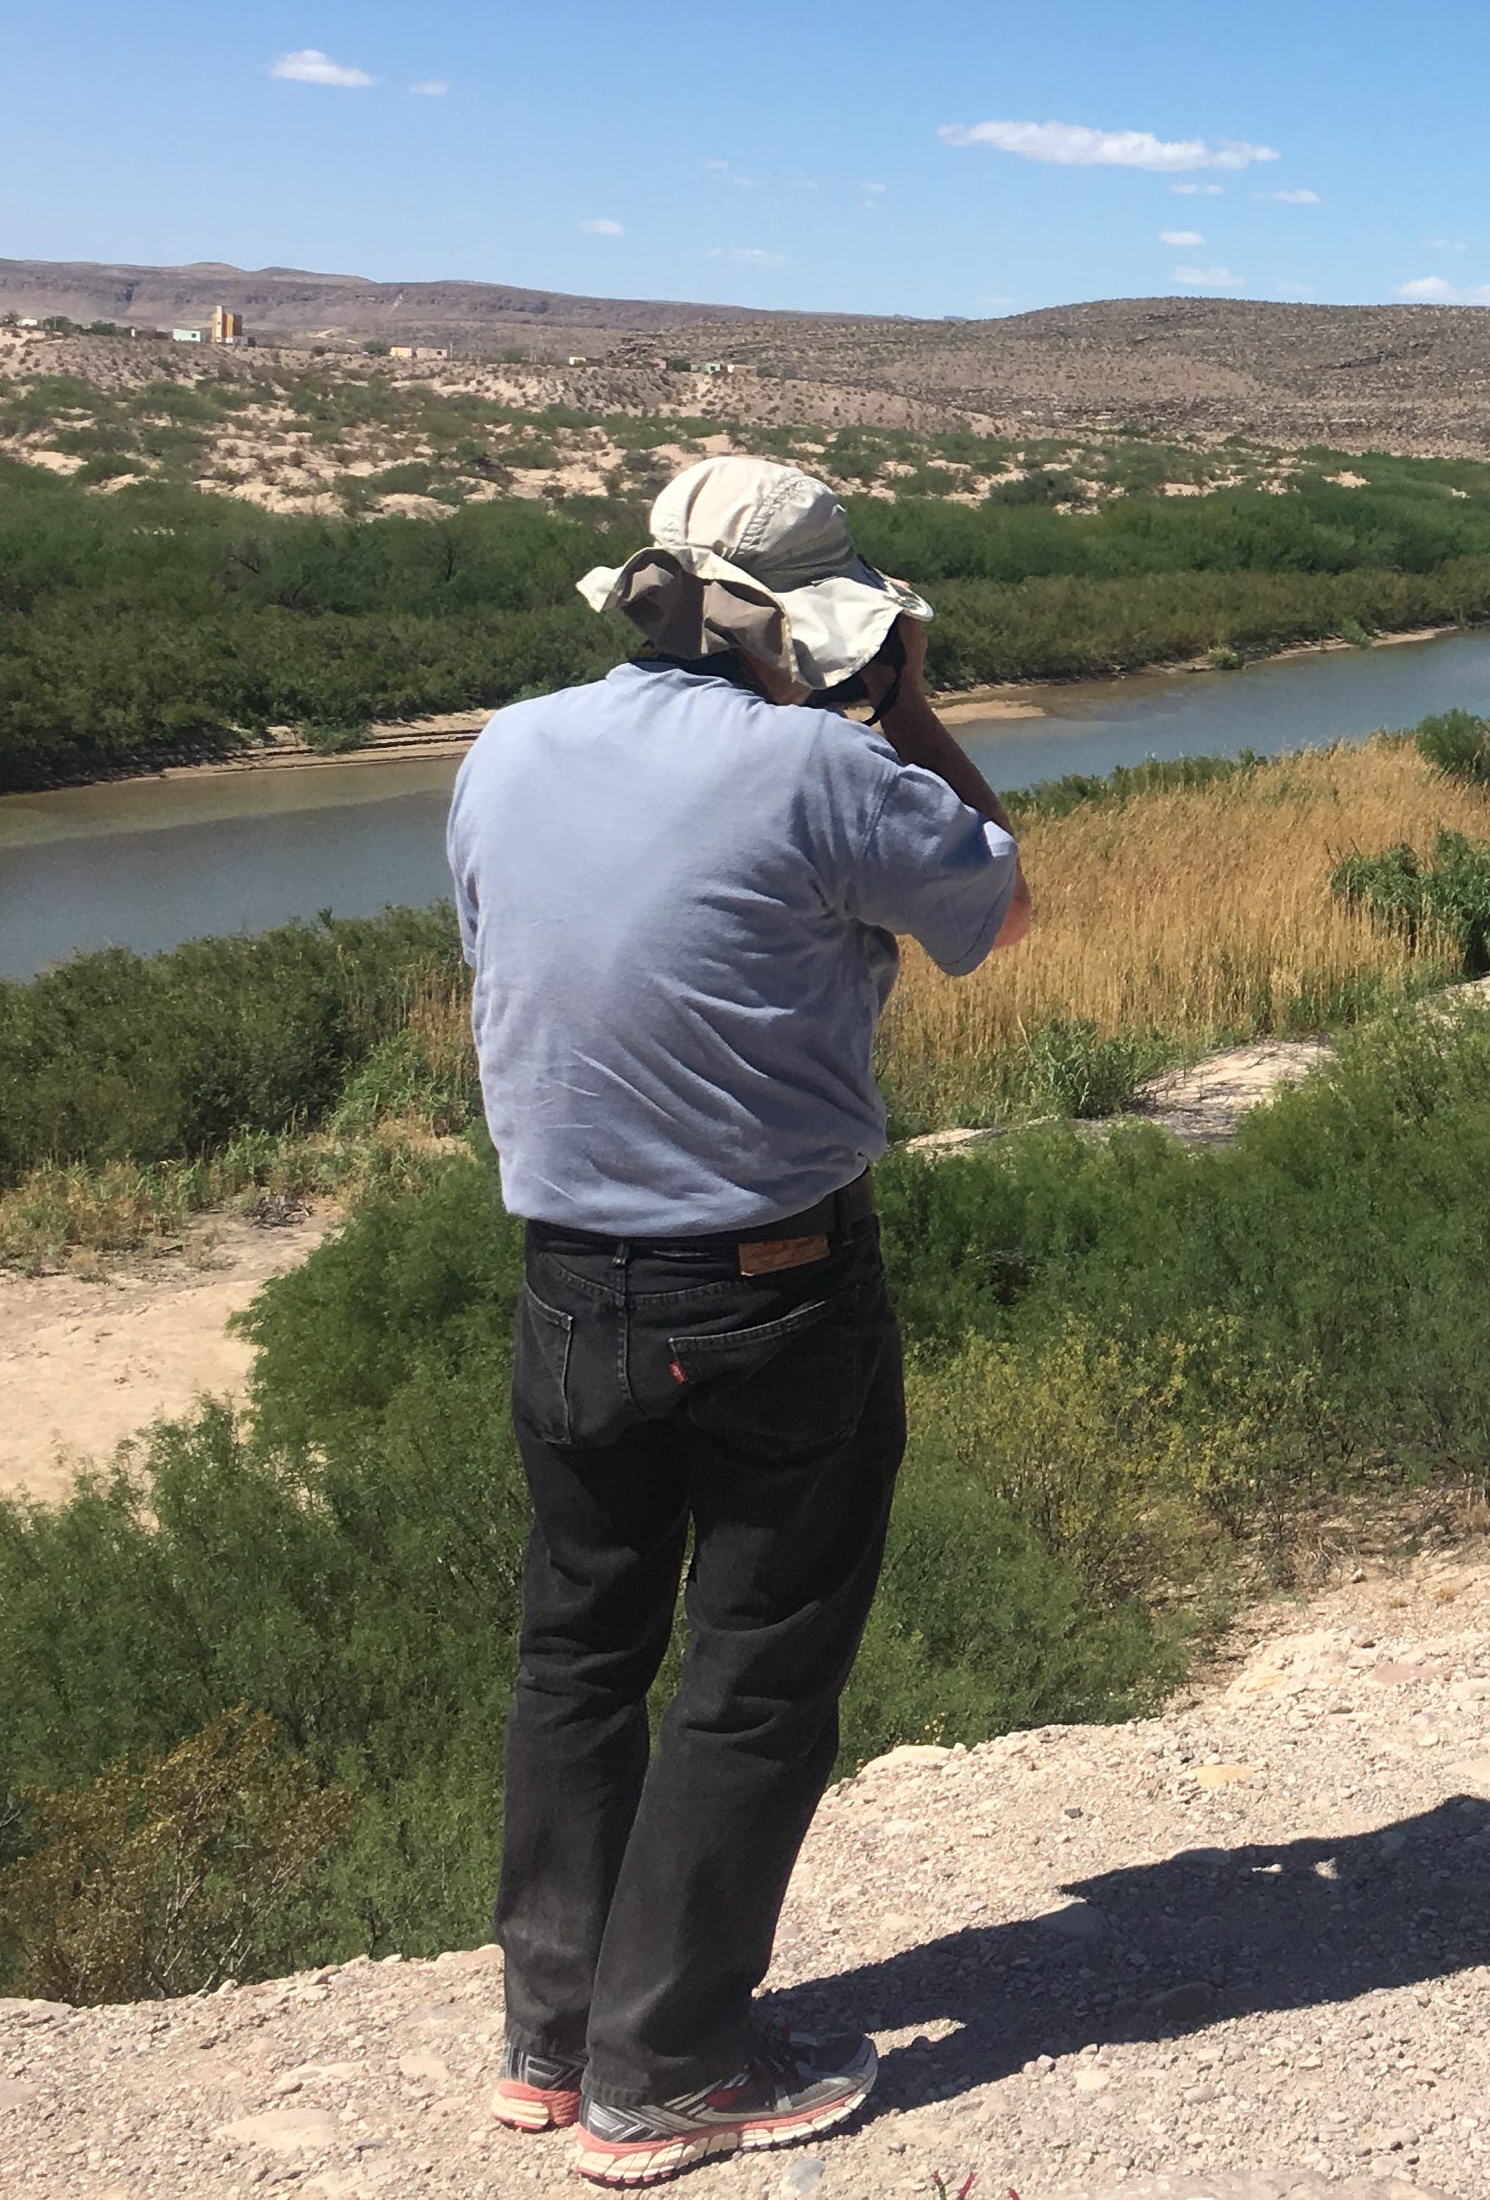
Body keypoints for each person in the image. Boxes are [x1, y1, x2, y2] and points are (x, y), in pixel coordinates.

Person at [445, 457, 1029, 2188]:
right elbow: (997, 907)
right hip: (771, 1289)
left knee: (579, 1658)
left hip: (566, 1283)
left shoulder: (503, 750)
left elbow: (508, 950)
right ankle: (671, 2069)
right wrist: (911, 714)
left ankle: (550, 2045)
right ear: (815, 624)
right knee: (757, 1675)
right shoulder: (828, 764)